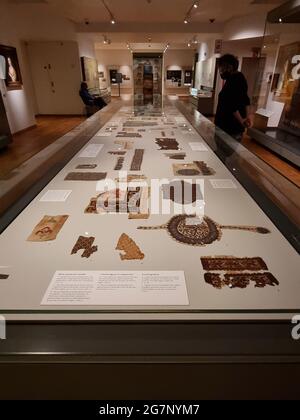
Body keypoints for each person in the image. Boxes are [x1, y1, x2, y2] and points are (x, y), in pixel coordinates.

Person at [215, 54, 253, 141]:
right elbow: (245, 99)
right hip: (229, 125)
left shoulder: (235, 80)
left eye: (221, 68)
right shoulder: (238, 78)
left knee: (224, 151)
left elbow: (232, 104)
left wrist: (242, 120)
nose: (220, 71)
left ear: (229, 67)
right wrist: (246, 117)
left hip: (229, 126)